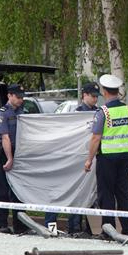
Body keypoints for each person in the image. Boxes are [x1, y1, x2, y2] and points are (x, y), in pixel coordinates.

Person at [44, 82, 100, 234]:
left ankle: (75, 228)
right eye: (93, 96)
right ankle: (51, 227)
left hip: (88, 159)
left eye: (97, 97)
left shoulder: (99, 112)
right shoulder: (75, 114)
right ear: (84, 95)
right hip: (71, 159)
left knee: (81, 194)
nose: (96, 100)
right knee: (59, 193)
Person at [84, 74, 128, 236]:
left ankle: (108, 230)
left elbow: (95, 138)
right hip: (126, 156)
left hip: (107, 158)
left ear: (105, 92)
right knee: (123, 194)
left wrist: (89, 160)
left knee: (106, 195)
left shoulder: (103, 112)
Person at [0, 84, 29, 234]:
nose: (21, 100)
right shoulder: (2, 114)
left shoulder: (22, 112)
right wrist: (9, 158)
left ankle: (20, 225)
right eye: (18, 97)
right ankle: (1, 224)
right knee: (2, 190)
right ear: (9, 95)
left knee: (19, 191)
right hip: (3, 154)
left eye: (22, 97)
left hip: (19, 153)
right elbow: (5, 138)